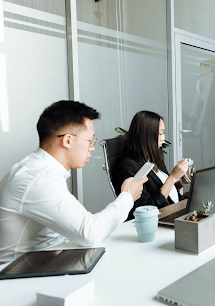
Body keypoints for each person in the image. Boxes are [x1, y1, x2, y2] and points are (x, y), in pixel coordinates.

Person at [0, 101, 147, 263]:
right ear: (68, 140)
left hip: (46, 261)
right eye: (90, 140)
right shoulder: (38, 179)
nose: (92, 148)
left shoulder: (40, 170)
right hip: (20, 275)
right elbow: (90, 233)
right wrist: (127, 197)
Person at [117, 111, 191, 221]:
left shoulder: (153, 159)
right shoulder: (129, 167)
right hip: (157, 220)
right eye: (160, 134)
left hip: (174, 210)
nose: (163, 139)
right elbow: (146, 209)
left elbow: (159, 191)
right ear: (146, 135)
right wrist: (172, 178)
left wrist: (178, 185)